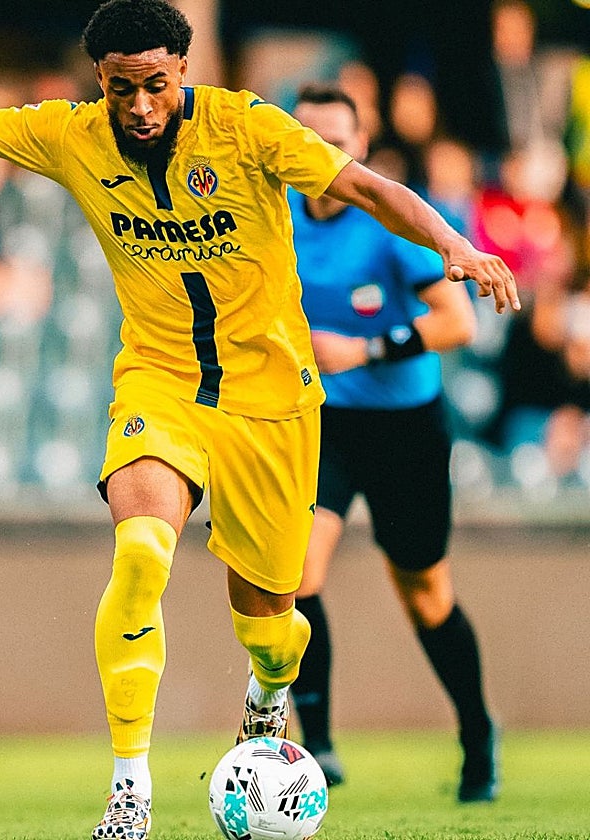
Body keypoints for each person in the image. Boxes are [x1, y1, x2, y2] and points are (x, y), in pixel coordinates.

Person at [0, 1, 518, 836]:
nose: (139, 106)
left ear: (185, 74)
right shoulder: (73, 134)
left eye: (156, 86)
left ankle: (267, 699)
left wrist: (453, 245)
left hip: (273, 400)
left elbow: (363, 184)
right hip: (160, 382)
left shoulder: (247, 128)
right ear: (99, 83)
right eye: (121, 89)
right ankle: (130, 786)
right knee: (141, 550)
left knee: (276, 625)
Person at [287, 84, 499, 803]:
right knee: (296, 574)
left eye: (336, 142)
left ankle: (478, 735)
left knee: (426, 595)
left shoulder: (388, 219)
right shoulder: (272, 217)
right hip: (324, 424)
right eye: (308, 139)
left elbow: (457, 324)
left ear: (362, 146)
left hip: (406, 426)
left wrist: (367, 349)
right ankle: (317, 745)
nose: (322, 154)